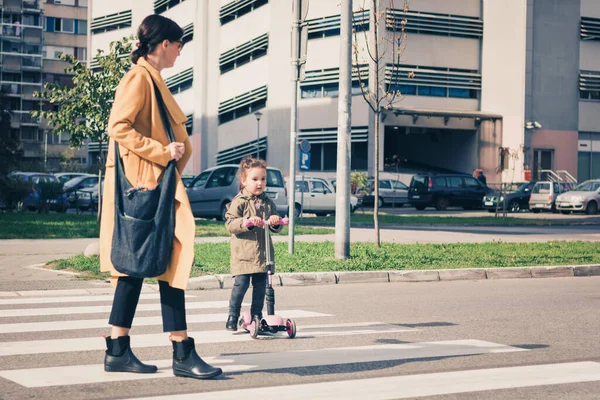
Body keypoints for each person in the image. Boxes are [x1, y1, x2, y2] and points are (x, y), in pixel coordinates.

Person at [99, 14, 221, 380]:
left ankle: (118, 348)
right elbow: (118, 127)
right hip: (147, 185)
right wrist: (161, 151)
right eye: (179, 44)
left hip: (152, 185)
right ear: (163, 44)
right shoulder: (139, 78)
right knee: (172, 260)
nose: (181, 51)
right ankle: (181, 350)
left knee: (136, 266)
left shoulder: (152, 79)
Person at [224, 157, 283, 331]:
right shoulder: (239, 202)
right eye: (255, 179)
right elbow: (230, 224)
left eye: (263, 179)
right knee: (240, 286)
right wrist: (246, 222)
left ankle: (256, 315)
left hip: (263, 255)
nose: (260, 183)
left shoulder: (267, 203)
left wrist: (275, 221)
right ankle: (233, 315)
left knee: (260, 288)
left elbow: (276, 225)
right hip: (243, 255)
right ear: (244, 181)